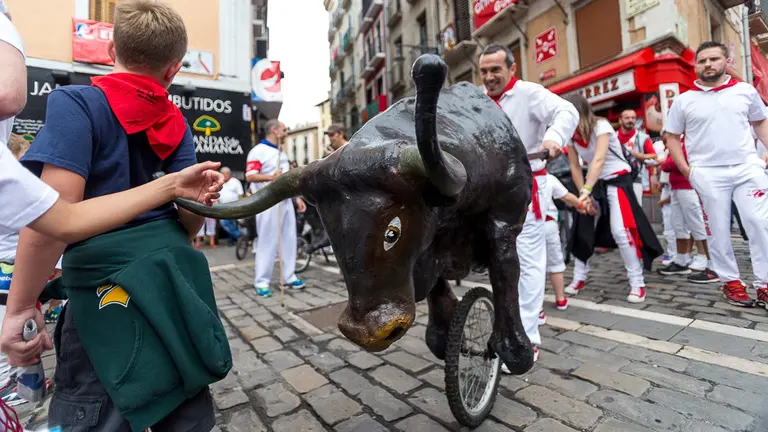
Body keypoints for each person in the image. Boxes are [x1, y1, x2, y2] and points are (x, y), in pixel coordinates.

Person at [1, 2, 231, 431]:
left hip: (101, 300)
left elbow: (50, 219)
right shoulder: (175, 120)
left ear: (110, 51)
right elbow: (186, 224)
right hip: (171, 292)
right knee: (181, 402)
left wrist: (19, 307)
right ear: (173, 69)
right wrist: (199, 201)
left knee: (96, 412)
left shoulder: (77, 103)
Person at [479, 44, 578, 366]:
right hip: (486, 194)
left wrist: (553, 139)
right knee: (499, 263)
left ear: (511, 68)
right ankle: (507, 324)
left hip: (524, 190)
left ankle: (527, 339)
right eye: (484, 71)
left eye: (496, 69)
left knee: (529, 265)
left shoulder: (529, 93)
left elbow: (567, 112)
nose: (490, 76)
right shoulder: (478, 100)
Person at [665, 41, 768, 307]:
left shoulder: (744, 91)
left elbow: (760, 121)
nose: (708, 64)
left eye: (713, 59)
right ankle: (731, 282)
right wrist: (687, 170)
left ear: (725, 62)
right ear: (696, 66)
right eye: (702, 61)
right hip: (708, 173)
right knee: (718, 231)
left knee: (760, 224)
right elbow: (672, 136)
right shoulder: (684, 100)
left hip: (747, 168)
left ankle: (765, 284)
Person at [563, 93, 663, 303]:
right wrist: (584, 196)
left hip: (617, 180)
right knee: (581, 227)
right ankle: (579, 277)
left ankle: (637, 282)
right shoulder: (569, 134)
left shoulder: (602, 126)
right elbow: (574, 165)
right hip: (594, 182)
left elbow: (598, 159)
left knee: (621, 230)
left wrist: (585, 192)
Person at [246, 119, 307, 297]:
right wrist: (271, 177)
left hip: (286, 201)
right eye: (284, 129)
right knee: (267, 241)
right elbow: (250, 176)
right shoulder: (258, 151)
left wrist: (297, 199)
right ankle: (262, 282)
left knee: (289, 239)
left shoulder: (281, 151)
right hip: (267, 202)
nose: (286, 131)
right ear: (274, 130)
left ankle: (289, 276)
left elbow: (287, 180)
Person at [658, 133, 719, 283]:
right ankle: (682, 260)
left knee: (697, 225)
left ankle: (710, 262)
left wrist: (669, 163)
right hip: (677, 187)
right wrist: (670, 162)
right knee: (678, 225)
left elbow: (671, 163)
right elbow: (671, 162)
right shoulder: (679, 140)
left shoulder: (692, 139)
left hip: (689, 187)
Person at [539, 169, 593, 320]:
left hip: (528, 228)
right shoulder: (548, 178)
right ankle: (560, 298)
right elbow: (567, 197)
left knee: (533, 268)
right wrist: (581, 204)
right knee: (556, 265)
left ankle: (537, 308)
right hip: (548, 225)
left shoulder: (517, 176)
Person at [616, 109, 657, 201]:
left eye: (633, 118)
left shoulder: (643, 137)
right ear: (620, 120)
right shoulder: (612, 137)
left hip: (635, 180)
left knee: (635, 211)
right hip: (616, 181)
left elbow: (654, 156)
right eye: (627, 118)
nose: (630, 120)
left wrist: (639, 156)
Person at [217, 166, 244, 245]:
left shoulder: (235, 181)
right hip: (223, 207)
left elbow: (241, 195)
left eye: (226, 173)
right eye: (223, 173)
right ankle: (238, 236)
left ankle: (231, 240)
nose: (224, 175)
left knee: (233, 223)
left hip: (234, 207)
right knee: (224, 223)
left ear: (229, 173)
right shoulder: (219, 183)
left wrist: (241, 207)